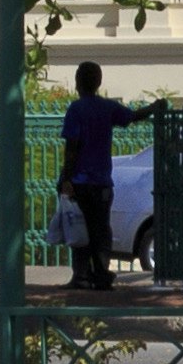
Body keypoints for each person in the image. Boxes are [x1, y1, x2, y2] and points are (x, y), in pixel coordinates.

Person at [57, 64, 144, 292]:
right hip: (102, 182)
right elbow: (132, 117)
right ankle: (101, 275)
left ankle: (81, 276)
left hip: (79, 181)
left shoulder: (76, 109)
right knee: (101, 230)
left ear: (77, 82)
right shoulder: (107, 108)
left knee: (80, 229)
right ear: (99, 82)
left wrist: (66, 178)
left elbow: (72, 146)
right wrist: (154, 108)